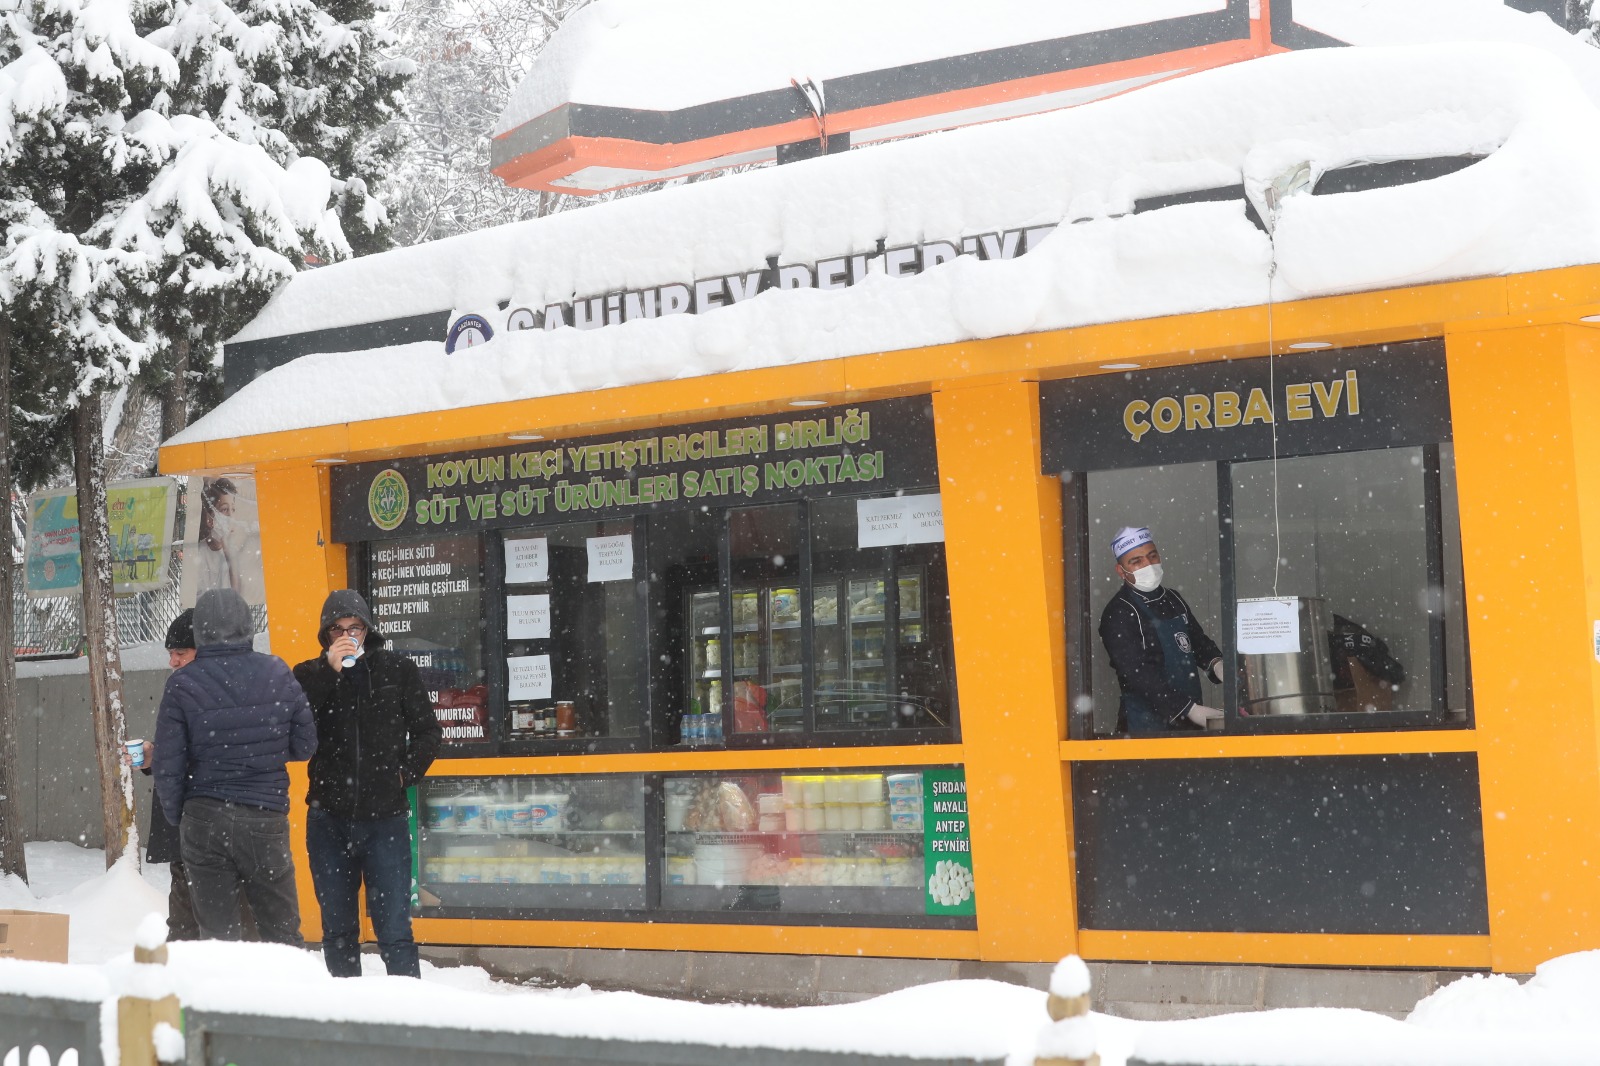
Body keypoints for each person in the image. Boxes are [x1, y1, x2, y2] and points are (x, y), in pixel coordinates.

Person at [153, 588, 317, 944]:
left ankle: (223, 980)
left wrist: (179, 816)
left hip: (204, 818)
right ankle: (288, 980)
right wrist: (263, 754)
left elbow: (168, 763)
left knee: (218, 939)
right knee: (281, 933)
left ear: (200, 630)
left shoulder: (182, 684)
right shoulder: (277, 672)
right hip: (265, 814)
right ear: (247, 625)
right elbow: (305, 744)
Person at [294, 590, 441, 978]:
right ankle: (347, 1010)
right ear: (325, 636)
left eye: (354, 628)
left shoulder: (397, 670)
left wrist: (404, 775)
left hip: (385, 820)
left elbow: (428, 732)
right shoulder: (307, 674)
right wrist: (329, 672)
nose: (347, 636)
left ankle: (408, 1009)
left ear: (368, 630)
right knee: (338, 931)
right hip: (328, 819)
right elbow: (294, 727)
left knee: (394, 932)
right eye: (337, 630)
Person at [1098, 526, 1225, 734]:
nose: (1148, 565)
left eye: (1152, 556)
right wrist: (1189, 709)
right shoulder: (1118, 612)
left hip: (1188, 722)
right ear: (1121, 571)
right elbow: (1138, 674)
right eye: (1136, 561)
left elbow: (1197, 642)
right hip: (1146, 726)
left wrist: (1217, 664)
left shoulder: (1173, 598)